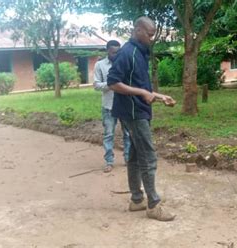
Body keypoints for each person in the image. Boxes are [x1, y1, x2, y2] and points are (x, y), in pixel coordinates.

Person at [107, 16, 177, 222]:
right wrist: (141, 93)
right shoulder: (127, 53)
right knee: (148, 156)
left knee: (137, 156)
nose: (151, 38)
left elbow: (139, 86)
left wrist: (159, 96)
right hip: (133, 113)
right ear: (138, 30)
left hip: (138, 110)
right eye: (149, 34)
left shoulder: (139, 53)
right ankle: (153, 205)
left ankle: (137, 199)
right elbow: (113, 82)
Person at [94, 40, 131, 173]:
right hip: (108, 105)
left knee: (128, 133)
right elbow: (96, 85)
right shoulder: (100, 65)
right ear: (107, 51)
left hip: (124, 104)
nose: (116, 54)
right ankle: (109, 161)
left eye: (118, 52)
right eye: (114, 52)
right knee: (109, 134)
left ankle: (128, 159)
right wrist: (112, 84)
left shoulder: (125, 63)